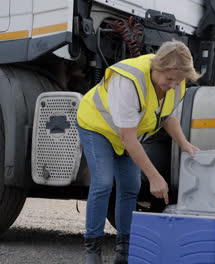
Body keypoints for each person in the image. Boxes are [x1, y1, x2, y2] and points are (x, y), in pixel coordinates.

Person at [76, 40, 200, 264]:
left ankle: (124, 251)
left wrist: (185, 144)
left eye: (179, 80)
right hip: (97, 125)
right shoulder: (129, 81)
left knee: (131, 186)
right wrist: (155, 177)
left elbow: (166, 116)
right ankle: (93, 250)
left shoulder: (176, 82)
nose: (174, 84)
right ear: (156, 66)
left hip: (124, 133)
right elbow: (128, 138)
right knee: (104, 182)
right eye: (170, 79)